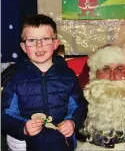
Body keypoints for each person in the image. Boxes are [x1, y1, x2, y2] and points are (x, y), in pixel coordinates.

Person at [1, 14, 88, 151]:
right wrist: (22, 127)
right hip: (27, 145)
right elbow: (5, 114)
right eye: (32, 40)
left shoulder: (68, 76)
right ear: (23, 47)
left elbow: (80, 106)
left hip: (62, 144)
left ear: (55, 44)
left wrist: (72, 122)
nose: (39, 45)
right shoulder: (15, 78)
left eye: (45, 39)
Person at [76, 46, 125, 151]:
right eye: (105, 69)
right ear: (94, 74)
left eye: (119, 70)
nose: (112, 77)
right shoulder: (79, 94)